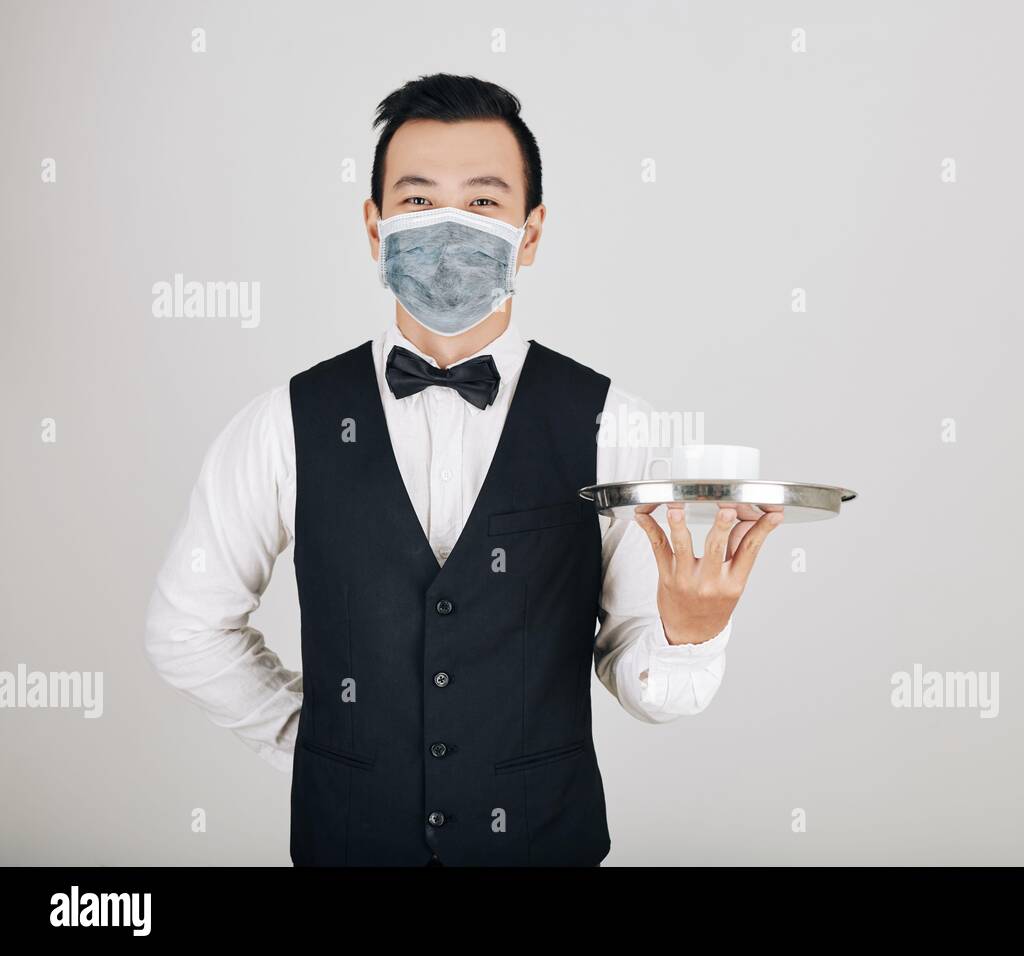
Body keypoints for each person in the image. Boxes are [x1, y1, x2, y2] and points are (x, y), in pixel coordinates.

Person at [144, 73, 782, 866]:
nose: (449, 225)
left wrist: (691, 634)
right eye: (417, 201)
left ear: (532, 231)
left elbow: (644, 681)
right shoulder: (283, 423)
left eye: (482, 202)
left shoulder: (615, 424)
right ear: (375, 229)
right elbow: (185, 629)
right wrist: (317, 746)